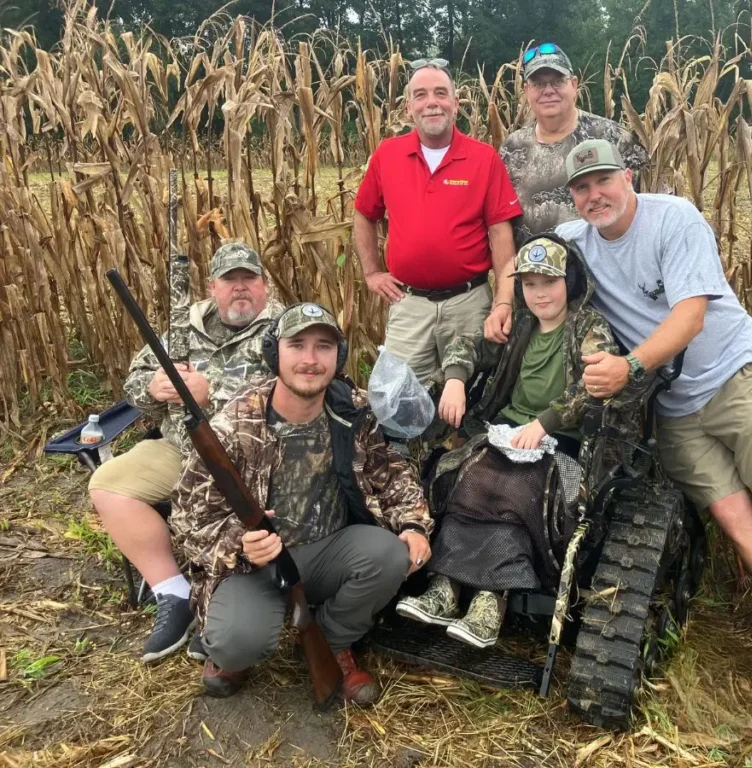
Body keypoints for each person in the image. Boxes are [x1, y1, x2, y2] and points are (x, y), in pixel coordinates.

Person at [555, 139, 752, 716]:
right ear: (572, 197)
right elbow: (525, 264)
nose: (594, 196)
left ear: (628, 177)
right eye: (581, 188)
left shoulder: (675, 219)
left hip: (730, 375)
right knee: (731, 513)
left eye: (603, 181)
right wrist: (503, 304)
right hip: (673, 405)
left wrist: (627, 367)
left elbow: (690, 315)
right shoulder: (576, 242)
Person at [171, 303, 433, 703]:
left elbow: (391, 470)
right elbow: (188, 520)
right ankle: (232, 650)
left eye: (323, 347)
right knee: (237, 641)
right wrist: (240, 543)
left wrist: (413, 525)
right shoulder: (233, 425)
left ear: (338, 357)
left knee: (388, 555)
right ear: (275, 352)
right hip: (255, 566)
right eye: (297, 345)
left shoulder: (353, 409)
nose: (310, 360)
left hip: (330, 550)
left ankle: (329, 641)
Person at [395, 234, 628, 648]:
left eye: (549, 283)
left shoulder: (587, 327)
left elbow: (594, 386)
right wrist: (455, 378)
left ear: (569, 283)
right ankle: (446, 586)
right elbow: (467, 345)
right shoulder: (517, 326)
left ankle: (490, 600)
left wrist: (546, 422)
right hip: (503, 432)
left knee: (516, 491)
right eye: (529, 284)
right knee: (467, 479)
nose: (539, 295)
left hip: (562, 444)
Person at [88, 243, 282, 664]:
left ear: (265, 285)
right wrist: (153, 388)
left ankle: (216, 602)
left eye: (249, 279)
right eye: (230, 281)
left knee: (245, 514)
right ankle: (173, 593)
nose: (240, 288)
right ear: (214, 287)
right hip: (180, 450)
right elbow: (135, 382)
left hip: (255, 460)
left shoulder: (284, 330)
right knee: (108, 485)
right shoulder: (183, 328)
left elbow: (295, 394)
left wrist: (212, 395)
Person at [353, 59, 523, 380]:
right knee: (401, 400)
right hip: (408, 304)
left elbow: (501, 236)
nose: (431, 102)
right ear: (408, 107)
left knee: (470, 396)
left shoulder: (483, 158)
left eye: (441, 93)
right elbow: (364, 215)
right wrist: (372, 272)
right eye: (421, 95)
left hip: (469, 304)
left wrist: (502, 302)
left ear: (456, 104)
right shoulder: (387, 155)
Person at [500, 42, 648, 246]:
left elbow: (648, 212)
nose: (548, 90)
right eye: (538, 83)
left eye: (558, 81)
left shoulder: (613, 138)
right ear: (526, 90)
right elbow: (501, 222)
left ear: (574, 84)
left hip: (601, 275)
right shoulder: (511, 148)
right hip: (532, 274)